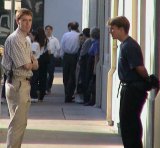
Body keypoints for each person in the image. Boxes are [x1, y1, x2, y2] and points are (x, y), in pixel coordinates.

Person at [107, 16, 159, 148]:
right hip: (128, 88)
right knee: (126, 122)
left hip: (133, 90)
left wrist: (147, 79)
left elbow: (139, 68)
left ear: (121, 29)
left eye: (113, 29)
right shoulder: (124, 45)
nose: (111, 32)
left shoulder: (129, 46)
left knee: (130, 123)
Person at [1, 8, 38, 148]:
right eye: (24, 21)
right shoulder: (16, 39)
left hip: (23, 84)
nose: (28, 24)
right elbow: (28, 65)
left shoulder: (26, 39)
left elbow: (35, 63)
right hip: (17, 83)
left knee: (21, 123)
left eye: (30, 21)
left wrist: (32, 63)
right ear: (18, 21)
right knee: (17, 125)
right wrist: (32, 63)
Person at [60, 22, 80, 103]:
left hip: (66, 56)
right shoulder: (79, 35)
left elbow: (62, 46)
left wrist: (62, 56)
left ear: (70, 27)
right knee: (73, 76)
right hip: (75, 56)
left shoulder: (65, 35)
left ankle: (66, 94)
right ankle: (70, 94)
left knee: (66, 76)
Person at [45, 25, 60, 94]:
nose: (48, 31)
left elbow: (58, 49)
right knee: (44, 73)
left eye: (49, 29)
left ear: (51, 30)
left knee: (51, 73)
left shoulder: (55, 39)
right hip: (44, 56)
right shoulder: (43, 38)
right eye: (47, 29)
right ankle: (45, 87)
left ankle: (49, 87)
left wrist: (55, 55)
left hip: (51, 57)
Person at [29, 30, 41, 102]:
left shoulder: (34, 44)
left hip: (33, 62)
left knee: (32, 80)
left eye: (30, 35)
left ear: (34, 36)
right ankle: (34, 96)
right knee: (33, 80)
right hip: (35, 61)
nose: (30, 37)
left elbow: (32, 53)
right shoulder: (36, 43)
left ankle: (33, 96)